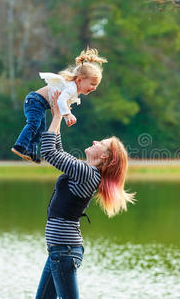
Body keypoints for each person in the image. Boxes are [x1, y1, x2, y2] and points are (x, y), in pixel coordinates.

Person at [35, 91, 135, 299]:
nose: (95, 141)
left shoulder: (88, 174)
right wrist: (59, 113)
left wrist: (55, 117)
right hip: (61, 251)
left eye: (102, 143)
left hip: (64, 251)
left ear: (105, 157)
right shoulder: (84, 169)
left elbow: (48, 152)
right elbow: (58, 150)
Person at [11, 48, 107, 163]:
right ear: (80, 80)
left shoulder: (74, 91)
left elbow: (60, 107)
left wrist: (66, 116)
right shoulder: (71, 88)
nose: (94, 88)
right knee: (34, 124)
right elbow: (61, 101)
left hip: (40, 104)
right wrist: (68, 114)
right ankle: (20, 145)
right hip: (35, 101)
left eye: (96, 85)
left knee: (40, 129)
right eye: (92, 84)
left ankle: (31, 151)